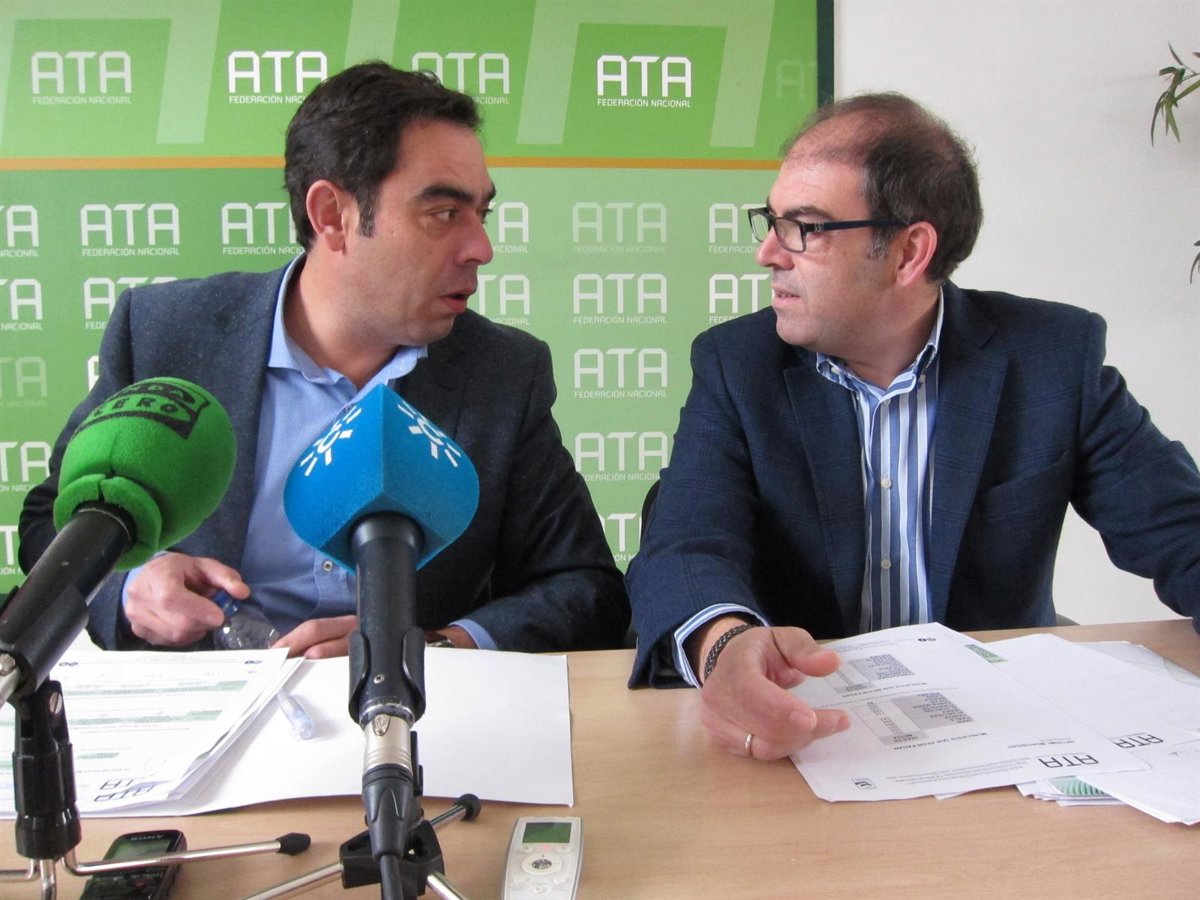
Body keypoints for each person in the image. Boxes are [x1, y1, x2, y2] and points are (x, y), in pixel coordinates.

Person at [625, 91, 1200, 761]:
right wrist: (725, 645)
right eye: (771, 220)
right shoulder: (738, 365)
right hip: (811, 732)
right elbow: (686, 542)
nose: (768, 253)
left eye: (804, 227)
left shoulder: (1051, 358)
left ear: (908, 252)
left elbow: (1181, 530)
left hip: (1002, 736)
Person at [19, 62, 628, 657]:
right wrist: (131, 587)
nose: (481, 248)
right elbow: (56, 523)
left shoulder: (504, 371)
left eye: (481, 213)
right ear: (332, 215)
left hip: (408, 707)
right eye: (444, 214)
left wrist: (430, 648)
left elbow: (584, 587)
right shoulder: (167, 335)